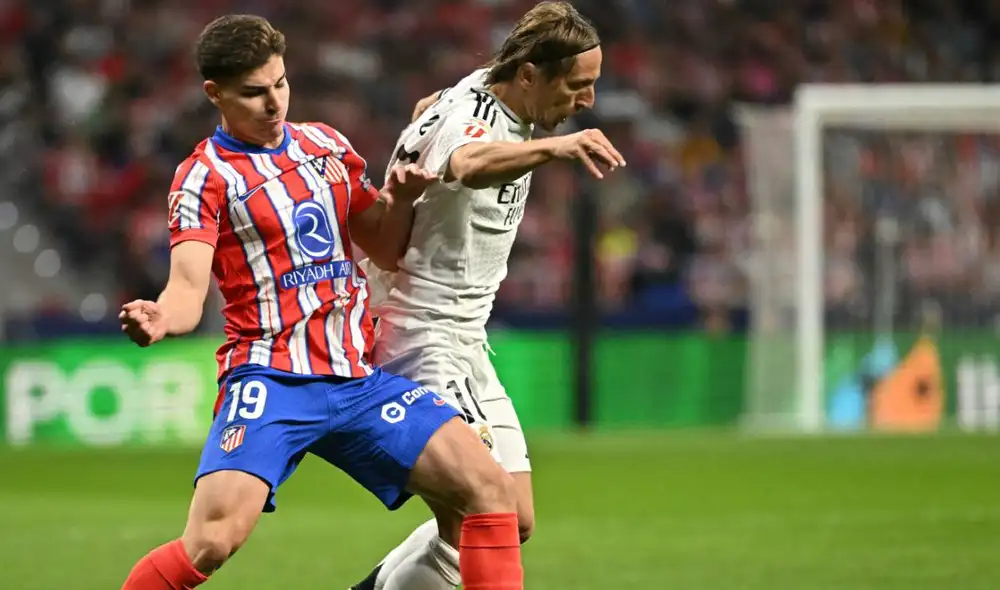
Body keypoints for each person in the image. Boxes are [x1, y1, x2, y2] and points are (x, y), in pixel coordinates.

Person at [117, 14, 524, 590]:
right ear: (215, 93)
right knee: (211, 542)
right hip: (273, 379)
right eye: (254, 92)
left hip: (355, 381)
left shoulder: (325, 145)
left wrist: (402, 200)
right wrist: (160, 319)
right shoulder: (202, 178)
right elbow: (187, 288)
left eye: (280, 83)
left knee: (489, 491)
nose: (273, 102)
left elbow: (382, 245)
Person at [351, 3, 624, 590]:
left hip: (464, 341)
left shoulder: (486, 91)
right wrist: (557, 149)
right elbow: (469, 161)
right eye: (578, 86)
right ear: (529, 75)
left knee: (512, 518)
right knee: (483, 510)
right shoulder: (477, 117)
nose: (587, 102)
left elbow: (437, 115)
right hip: (417, 338)